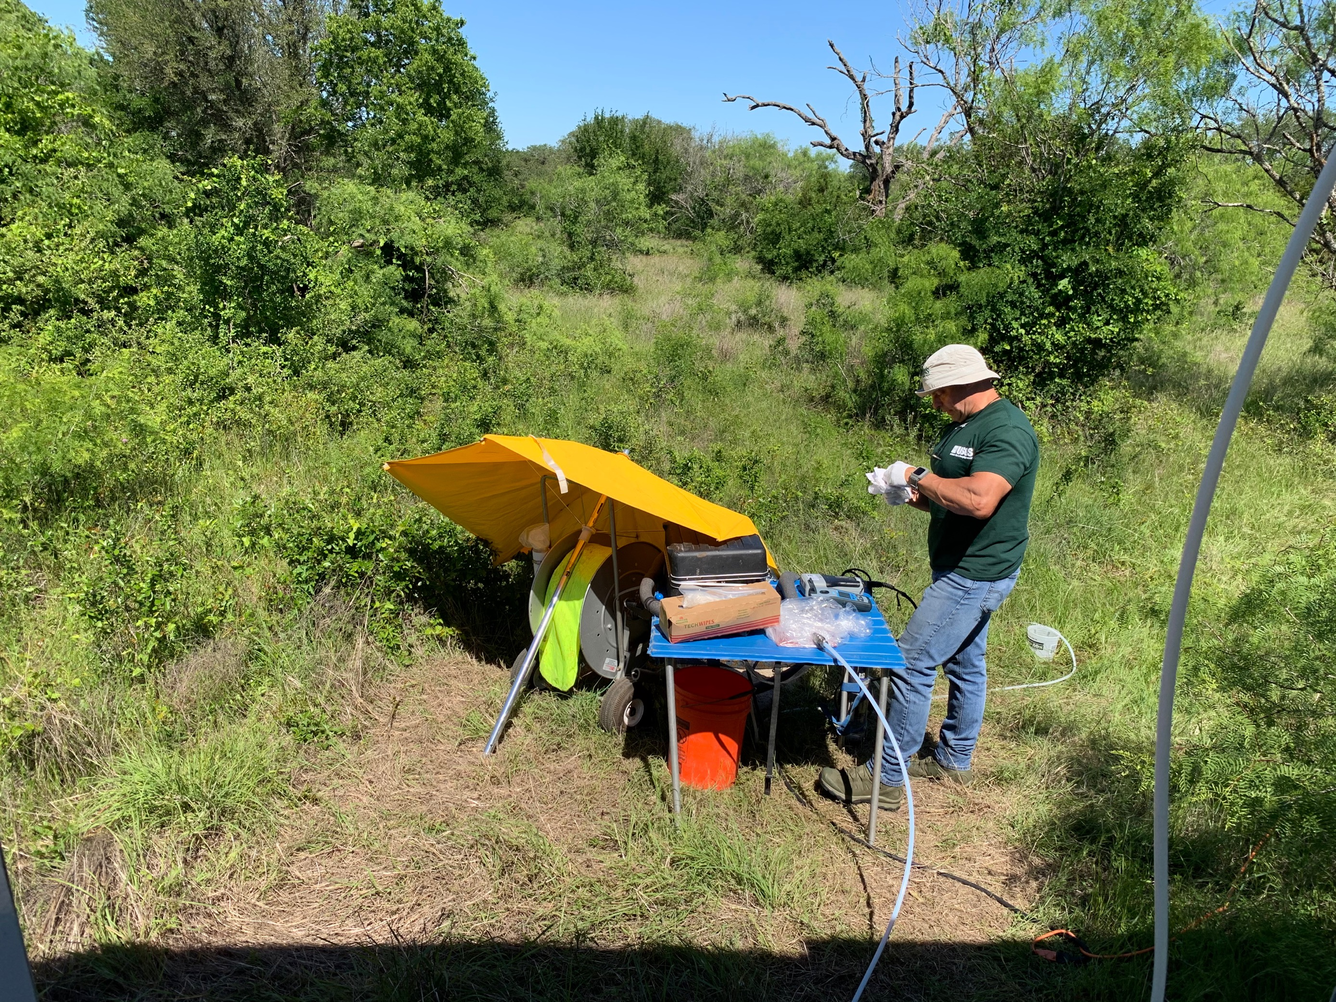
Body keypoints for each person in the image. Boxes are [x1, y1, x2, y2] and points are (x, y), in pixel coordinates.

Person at [818, 344, 1039, 807]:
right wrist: (906, 493)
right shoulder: (965, 425)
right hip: (957, 565)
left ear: (961, 383)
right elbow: (956, 496)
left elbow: (980, 500)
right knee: (964, 664)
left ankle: (887, 779)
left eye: (937, 393)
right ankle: (954, 761)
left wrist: (915, 472)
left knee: (912, 660)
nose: (934, 402)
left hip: (975, 573)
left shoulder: (1008, 431)